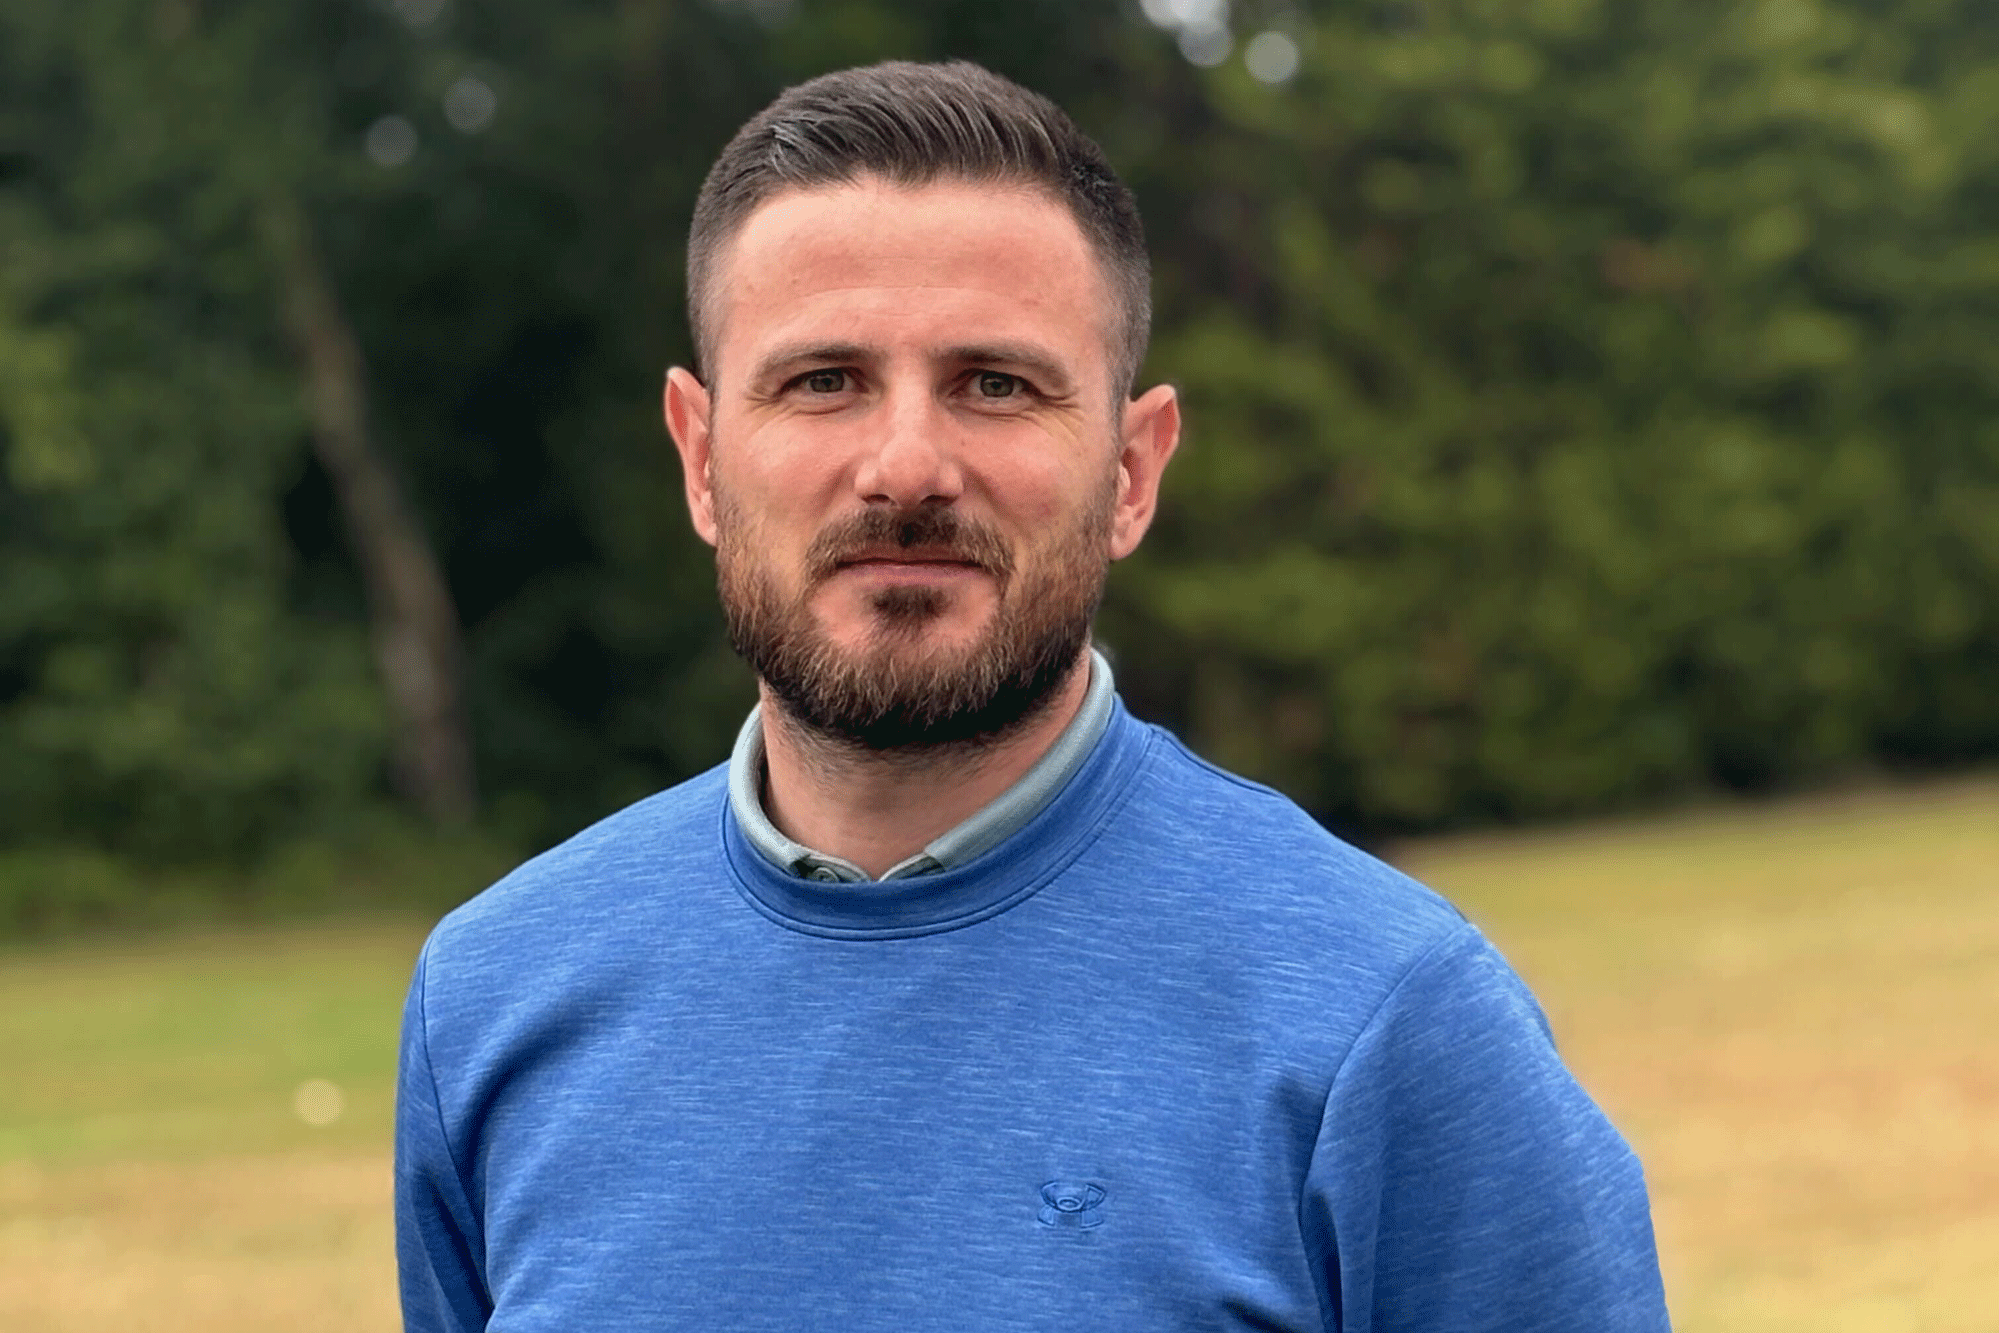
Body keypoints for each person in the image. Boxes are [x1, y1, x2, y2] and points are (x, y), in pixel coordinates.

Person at [395, 60, 1671, 1332]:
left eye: (995, 384)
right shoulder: (493, 1003)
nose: (904, 467)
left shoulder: (1385, 1022)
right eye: (822, 380)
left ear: (1129, 469)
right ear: (701, 456)